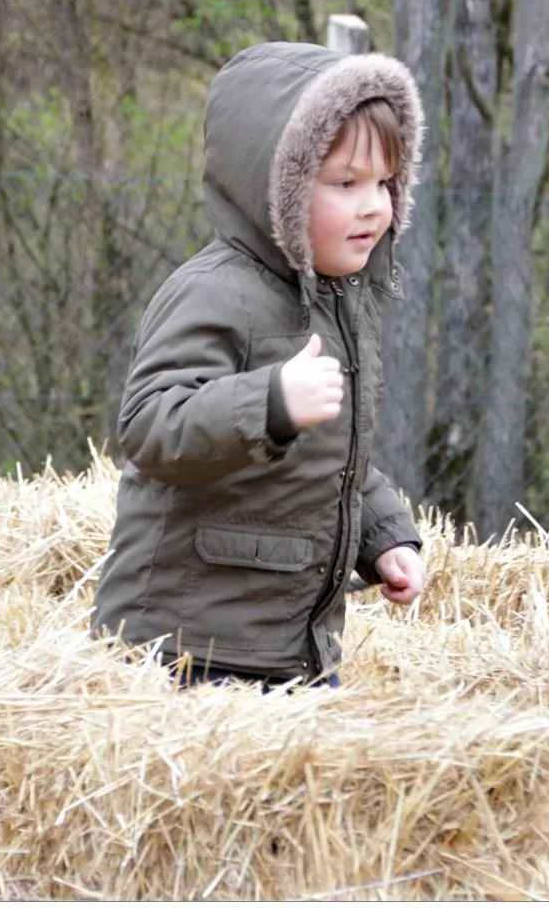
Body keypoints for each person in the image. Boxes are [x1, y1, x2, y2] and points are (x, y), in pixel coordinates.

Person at [90, 41, 427, 691]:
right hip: (186, 646)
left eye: (385, 182)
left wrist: (385, 538)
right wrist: (268, 402)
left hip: (289, 651)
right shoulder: (215, 292)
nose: (374, 205)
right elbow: (152, 425)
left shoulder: (339, 302)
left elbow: (333, 460)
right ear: (277, 185)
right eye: (345, 184)